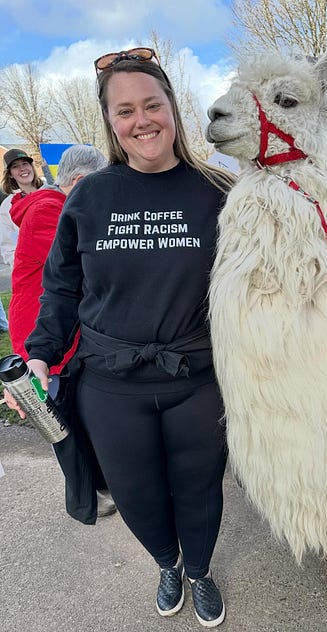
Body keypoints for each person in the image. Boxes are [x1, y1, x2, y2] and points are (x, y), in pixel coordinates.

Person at [6, 48, 235, 628]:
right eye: (125, 110)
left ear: (172, 109)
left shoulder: (218, 190)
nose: (142, 120)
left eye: (152, 104)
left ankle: (201, 570)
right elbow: (60, 290)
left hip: (197, 379)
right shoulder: (90, 195)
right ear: (111, 122)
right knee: (136, 497)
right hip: (109, 385)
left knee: (200, 490)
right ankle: (166, 562)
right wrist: (37, 356)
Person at [6, 144, 117, 518]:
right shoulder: (51, 209)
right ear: (83, 181)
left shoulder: (49, 205)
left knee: (73, 413)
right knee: (61, 422)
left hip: (49, 323)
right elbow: (81, 268)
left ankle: (99, 485)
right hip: (44, 328)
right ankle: (86, 500)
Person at [0, 149, 44, 332]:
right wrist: (23, 268)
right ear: (10, 174)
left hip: (60, 264)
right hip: (32, 273)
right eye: (16, 167)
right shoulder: (8, 206)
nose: (22, 169)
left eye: (25, 164)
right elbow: (8, 246)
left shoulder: (51, 191)